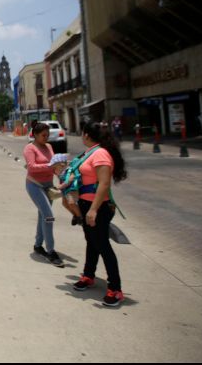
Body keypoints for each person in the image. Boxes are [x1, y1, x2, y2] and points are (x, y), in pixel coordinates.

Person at [72, 121, 128, 307]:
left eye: (82, 133)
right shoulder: (90, 153)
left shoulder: (101, 154)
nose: (81, 136)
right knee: (92, 242)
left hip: (97, 207)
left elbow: (104, 184)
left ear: (87, 134)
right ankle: (88, 275)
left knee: (103, 245)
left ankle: (115, 289)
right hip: (86, 203)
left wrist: (94, 209)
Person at [23, 122, 64, 267]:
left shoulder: (49, 147)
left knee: (43, 215)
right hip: (34, 185)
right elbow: (32, 167)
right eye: (43, 135)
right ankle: (51, 251)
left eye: (48, 135)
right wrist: (50, 166)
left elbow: (53, 164)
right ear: (35, 135)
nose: (46, 138)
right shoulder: (30, 148)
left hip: (48, 185)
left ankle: (38, 245)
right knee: (48, 216)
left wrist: (60, 170)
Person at [48, 153, 84, 225]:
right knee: (64, 203)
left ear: (61, 164)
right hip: (65, 189)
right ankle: (75, 215)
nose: (54, 169)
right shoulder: (60, 172)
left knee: (71, 203)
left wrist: (60, 187)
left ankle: (80, 217)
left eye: (55, 167)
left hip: (71, 189)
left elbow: (70, 180)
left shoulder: (69, 170)